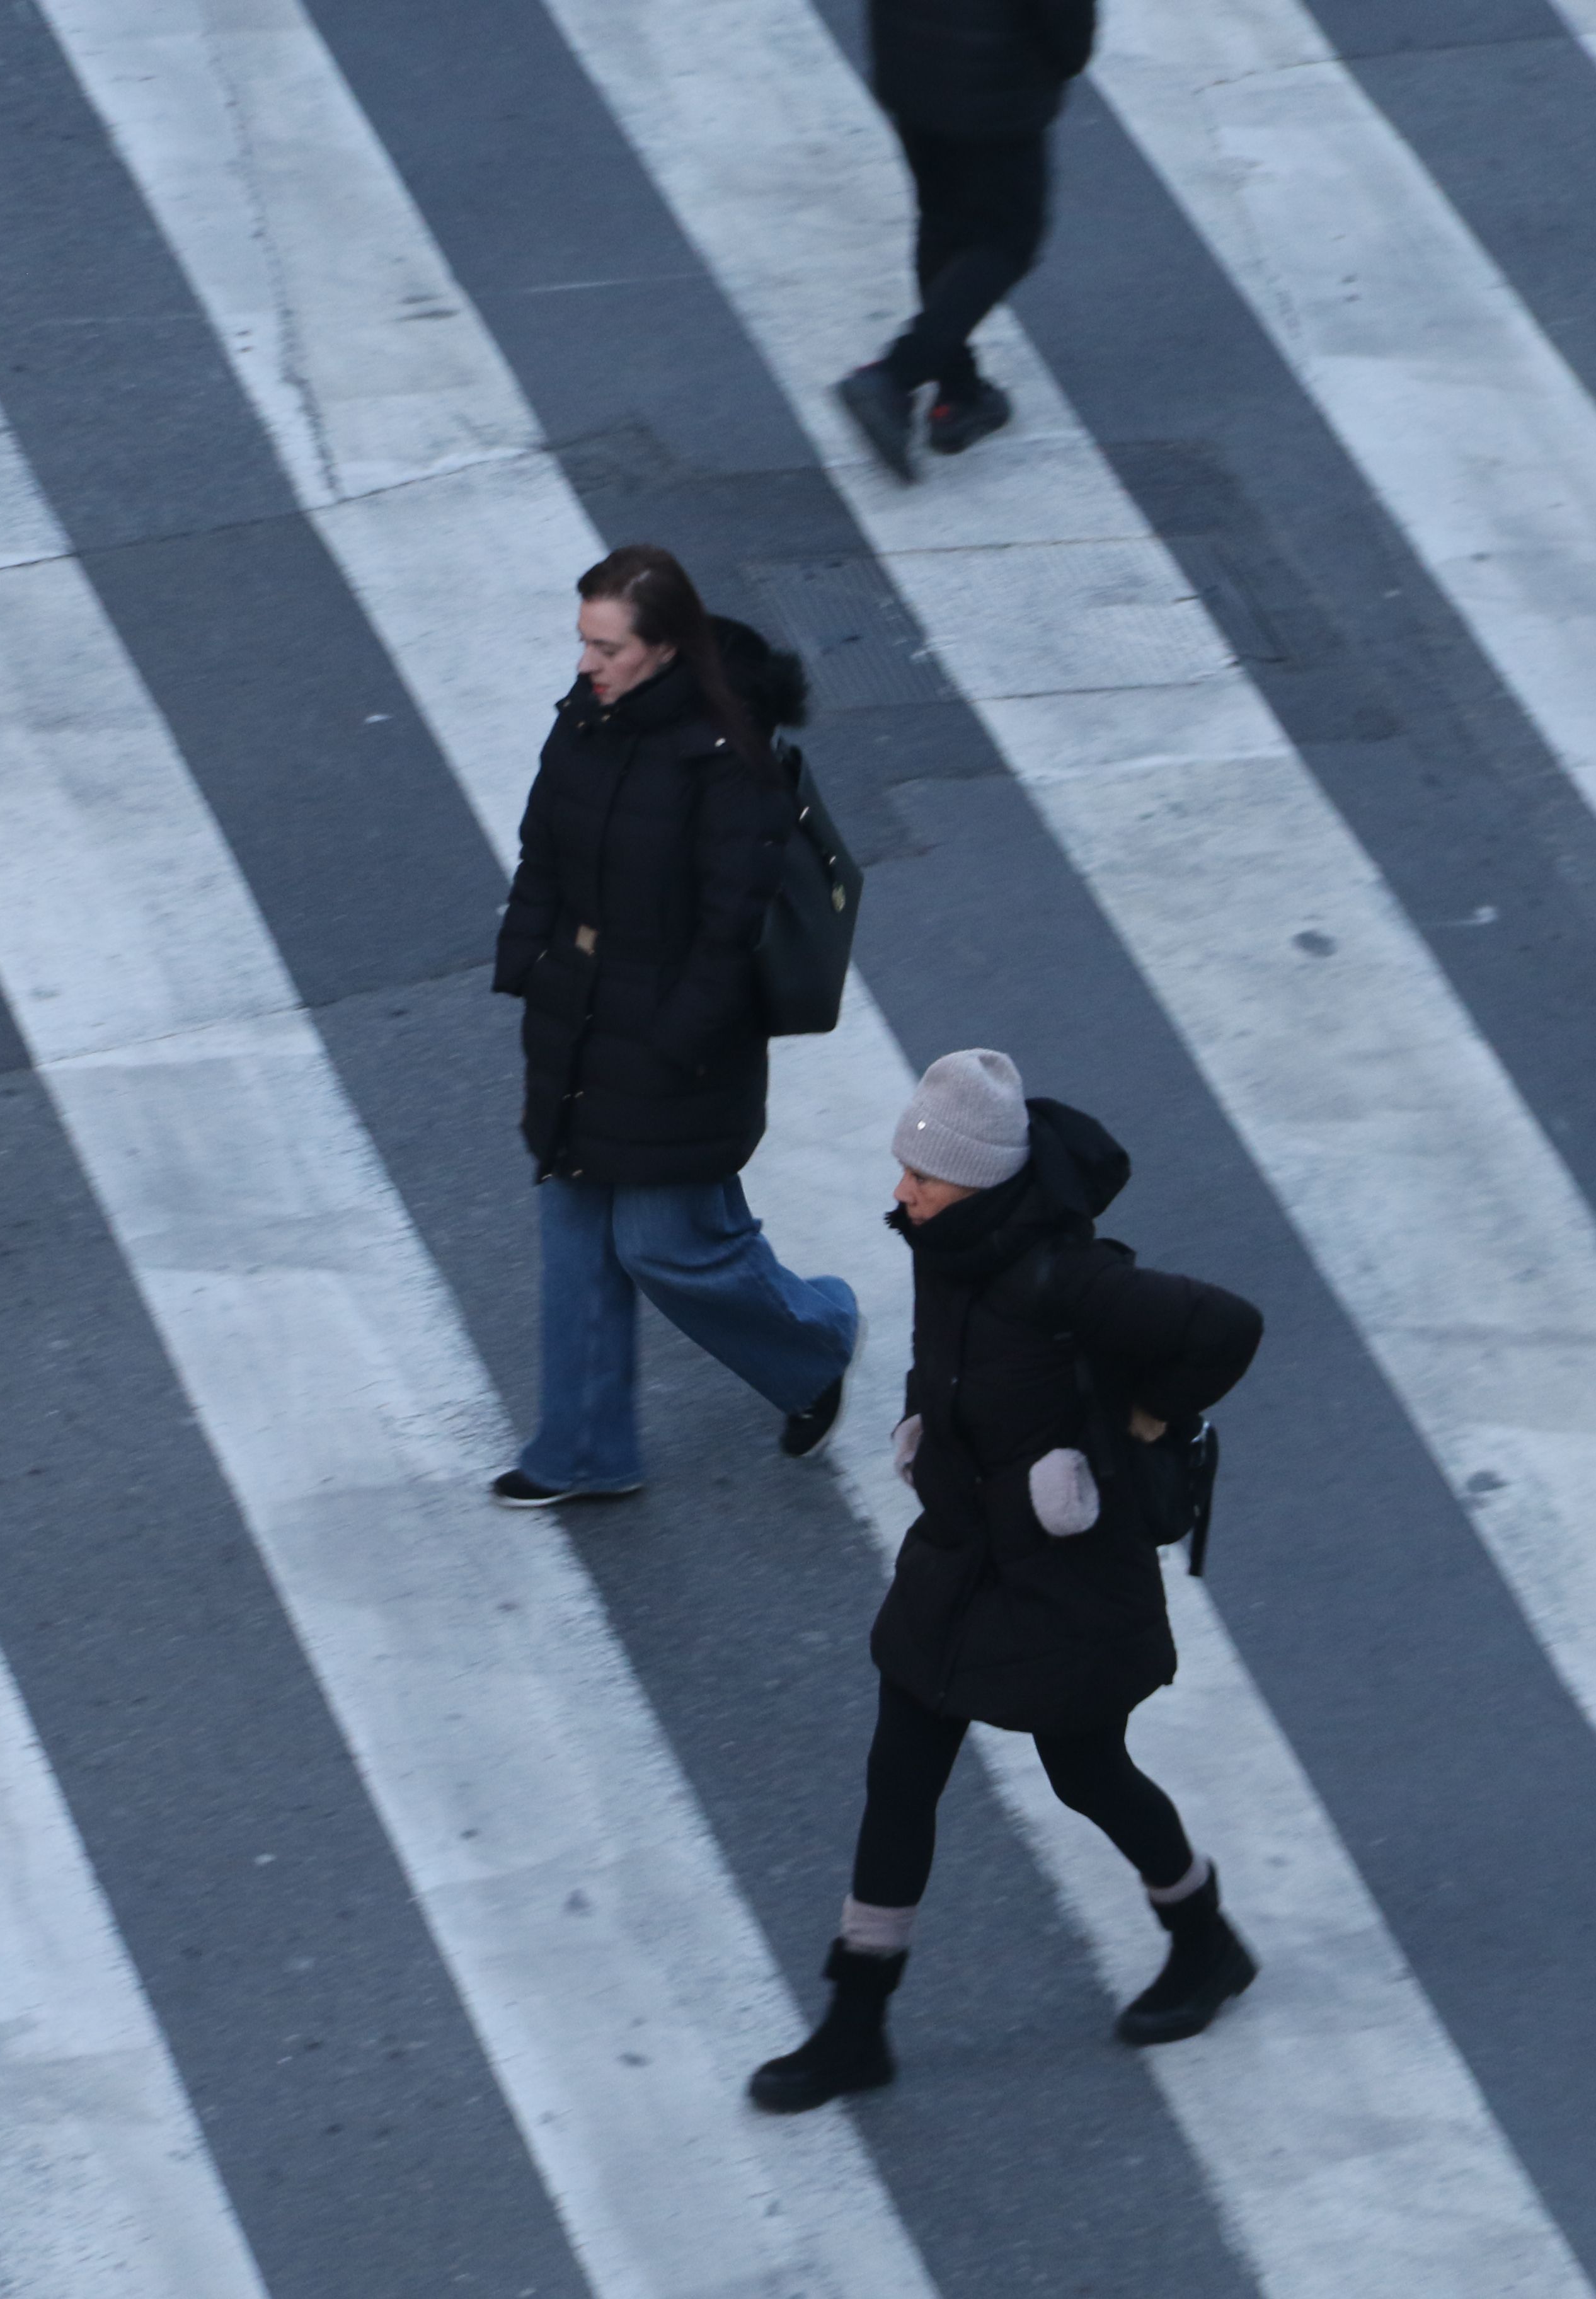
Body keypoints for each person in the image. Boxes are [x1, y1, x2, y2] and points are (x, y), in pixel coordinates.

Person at [750, 1052, 1261, 2112]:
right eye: (905, 1171)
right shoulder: (945, 1249)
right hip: (959, 1555)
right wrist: (922, 1429)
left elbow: (1227, 1326)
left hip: (1062, 1579)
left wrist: (1144, 1419)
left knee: (1086, 1774)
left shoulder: (1069, 1278)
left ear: (978, 1183)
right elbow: (943, 1362)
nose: (901, 1192)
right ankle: (855, 2026)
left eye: (922, 1178)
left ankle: (1204, 1941)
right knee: (899, 1778)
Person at [489, 544, 862, 1507]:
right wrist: (529, 956)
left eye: (605, 647)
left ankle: (816, 1343)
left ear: (663, 650)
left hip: (673, 1035)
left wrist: (675, 1041)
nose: (585, 663)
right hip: (577, 1010)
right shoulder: (585, 721)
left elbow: (729, 930)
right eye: (584, 642)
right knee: (577, 1240)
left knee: (665, 1243)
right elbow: (542, 849)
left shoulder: (728, 760)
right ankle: (580, 1453)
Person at [834, 0, 1097, 481]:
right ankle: (896, 376)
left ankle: (959, 394)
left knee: (943, 222)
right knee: (1008, 241)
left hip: (910, 70)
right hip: (997, 91)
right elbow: (1068, 31)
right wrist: (1057, 65)